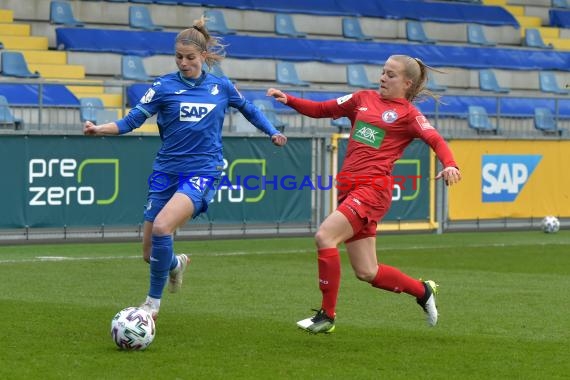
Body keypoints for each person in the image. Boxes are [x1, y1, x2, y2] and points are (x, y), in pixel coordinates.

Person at [84, 16, 287, 320]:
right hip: (165, 171)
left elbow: (250, 108)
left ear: (204, 57)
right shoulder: (163, 86)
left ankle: (152, 305)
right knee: (149, 254)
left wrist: (272, 130)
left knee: (165, 226)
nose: (183, 63)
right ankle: (176, 264)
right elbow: (131, 121)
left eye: (190, 57)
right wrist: (99, 128)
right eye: (178, 57)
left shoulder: (221, 86)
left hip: (204, 170)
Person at [267, 55, 461, 334]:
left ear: (407, 83)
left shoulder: (409, 115)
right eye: (382, 72)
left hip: (372, 191)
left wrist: (450, 164)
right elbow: (322, 108)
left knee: (325, 236)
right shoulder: (362, 99)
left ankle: (326, 316)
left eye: (390, 75)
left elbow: (435, 139)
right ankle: (423, 291)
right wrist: (289, 100)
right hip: (349, 189)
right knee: (367, 271)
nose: (383, 78)